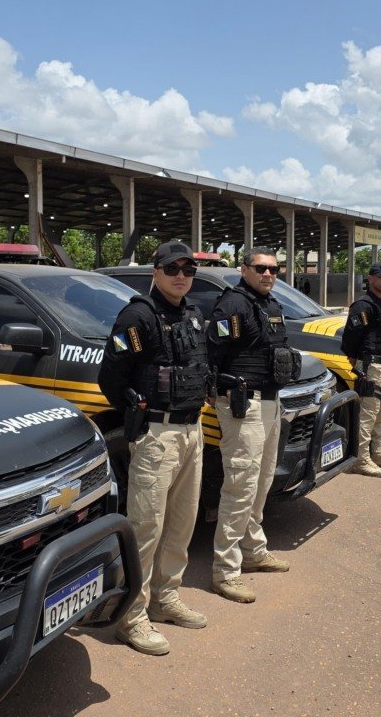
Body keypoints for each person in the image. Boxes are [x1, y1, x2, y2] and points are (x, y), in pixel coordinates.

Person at [98, 241, 212, 656]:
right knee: (146, 528)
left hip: (192, 431)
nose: (181, 275)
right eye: (172, 268)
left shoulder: (193, 315)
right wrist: (137, 409)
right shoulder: (138, 315)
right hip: (157, 435)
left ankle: (166, 599)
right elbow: (110, 378)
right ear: (156, 271)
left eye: (188, 268)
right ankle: (131, 616)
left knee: (182, 523)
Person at [206, 247, 299, 604]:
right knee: (240, 486)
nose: (268, 274)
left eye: (274, 269)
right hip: (242, 404)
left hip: (271, 402)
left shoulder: (271, 305)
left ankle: (252, 550)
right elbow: (212, 352)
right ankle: (225, 571)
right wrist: (215, 391)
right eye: (261, 268)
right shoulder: (233, 305)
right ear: (244, 269)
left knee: (261, 482)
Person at [339, 261, 381, 477]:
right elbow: (349, 342)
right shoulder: (363, 305)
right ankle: (360, 460)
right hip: (372, 366)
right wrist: (358, 365)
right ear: (370, 278)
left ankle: (379, 453)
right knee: (368, 415)